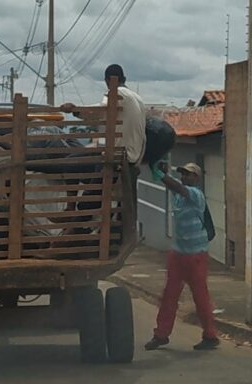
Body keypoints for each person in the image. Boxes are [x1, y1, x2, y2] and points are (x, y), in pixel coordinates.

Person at [144, 162, 220, 351]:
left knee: (201, 297)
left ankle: (210, 335)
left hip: (196, 255)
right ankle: (161, 334)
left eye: (189, 174)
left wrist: (161, 175)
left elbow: (176, 186)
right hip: (178, 253)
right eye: (183, 173)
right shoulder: (178, 196)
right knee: (169, 295)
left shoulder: (195, 194)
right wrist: (162, 171)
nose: (184, 177)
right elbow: (174, 187)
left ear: (197, 178)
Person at [59, 64, 146, 166]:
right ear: (124, 79)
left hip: (118, 155)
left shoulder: (117, 93)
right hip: (134, 156)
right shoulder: (138, 99)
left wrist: (76, 110)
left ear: (107, 81)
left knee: (71, 161)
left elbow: (100, 110)